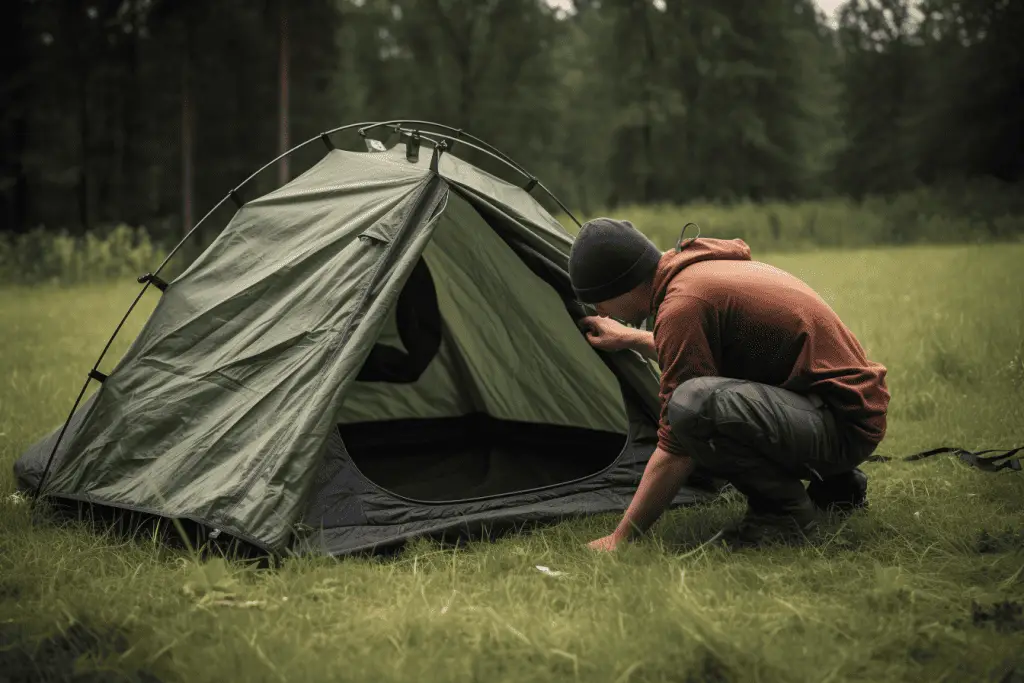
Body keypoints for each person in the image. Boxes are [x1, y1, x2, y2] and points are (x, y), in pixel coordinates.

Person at [569, 218, 890, 551]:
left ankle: (782, 517)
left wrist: (622, 538)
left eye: (599, 302)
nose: (600, 311)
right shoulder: (698, 273)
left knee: (693, 408)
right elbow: (702, 348)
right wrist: (632, 338)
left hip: (842, 427)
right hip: (844, 409)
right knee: (709, 397)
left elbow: (676, 443)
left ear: (620, 287)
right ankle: (836, 488)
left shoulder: (683, 305)